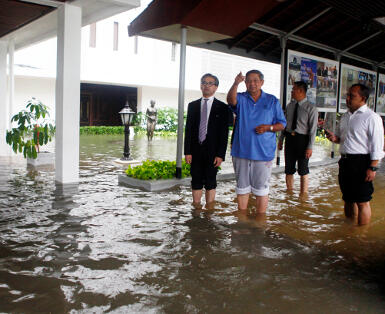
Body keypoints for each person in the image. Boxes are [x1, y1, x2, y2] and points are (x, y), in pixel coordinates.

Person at [227, 70, 286, 214]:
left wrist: (268, 127)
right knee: (242, 188)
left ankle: (260, 221)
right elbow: (230, 100)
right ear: (245, 83)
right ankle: (242, 219)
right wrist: (235, 83)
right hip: (241, 151)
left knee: (261, 190)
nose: (252, 83)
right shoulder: (241, 97)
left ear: (262, 82)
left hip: (263, 152)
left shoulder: (272, 100)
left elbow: (282, 124)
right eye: (248, 81)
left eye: (255, 80)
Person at [326, 84, 384, 225]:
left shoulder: (371, 117)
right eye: (347, 95)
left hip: (362, 162)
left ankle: (361, 236)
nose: (347, 98)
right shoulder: (346, 116)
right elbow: (342, 138)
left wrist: (373, 167)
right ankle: (349, 229)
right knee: (348, 198)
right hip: (345, 161)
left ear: (363, 98)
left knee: (362, 201)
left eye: (352, 96)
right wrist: (335, 139)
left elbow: (378, 145)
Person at [184, 73, 230, 207]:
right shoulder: (192, 106)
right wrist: (187, 152)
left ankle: (210, 210)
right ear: (200, 86)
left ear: (216, 87)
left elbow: (224, 133)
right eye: (203, 82)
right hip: (195, 149)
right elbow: (189, 130)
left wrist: (220, 155)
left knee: (211, 180)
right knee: (196, 179)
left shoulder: (222, 107)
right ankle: (196, 208)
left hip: (213, 151)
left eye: (210, 83)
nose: (206, 86)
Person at [278, 81, 318, 195]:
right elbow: (284, 125)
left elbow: (313, 130)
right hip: (290, 140)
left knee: (303, 170)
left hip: (303, 141)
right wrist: (281, 140)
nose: (292, 91)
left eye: (293, 89)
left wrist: (310, 147)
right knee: (289, 169)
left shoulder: (311, 108)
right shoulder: (290, 106)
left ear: (301, 91)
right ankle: (289, 194)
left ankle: (303, 196)